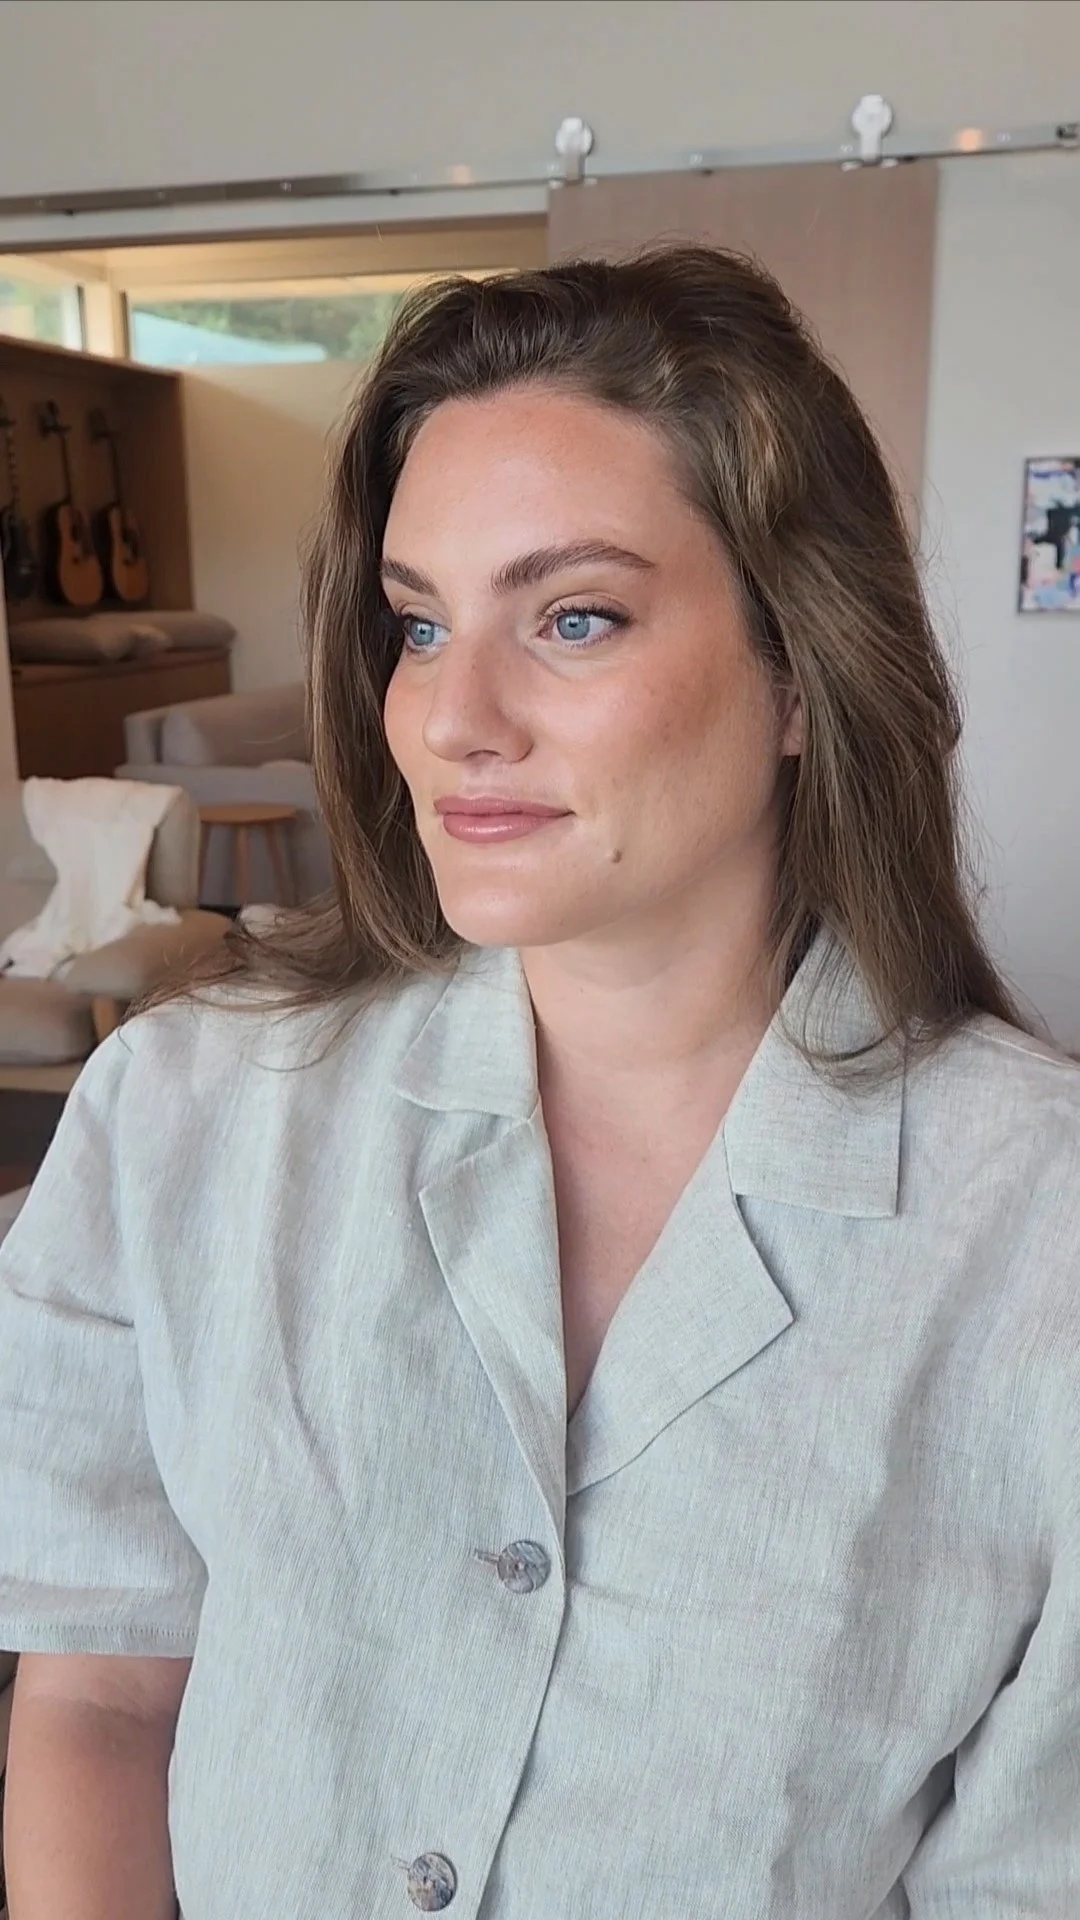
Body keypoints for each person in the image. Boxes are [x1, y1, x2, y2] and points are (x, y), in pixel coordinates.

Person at [1, 245, 1079, 1920]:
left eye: (574, 617)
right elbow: (101, 1693)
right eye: (419, 625)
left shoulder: (1038, 1238)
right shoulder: (183, 1123)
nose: (452, 719)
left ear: (802, 667)